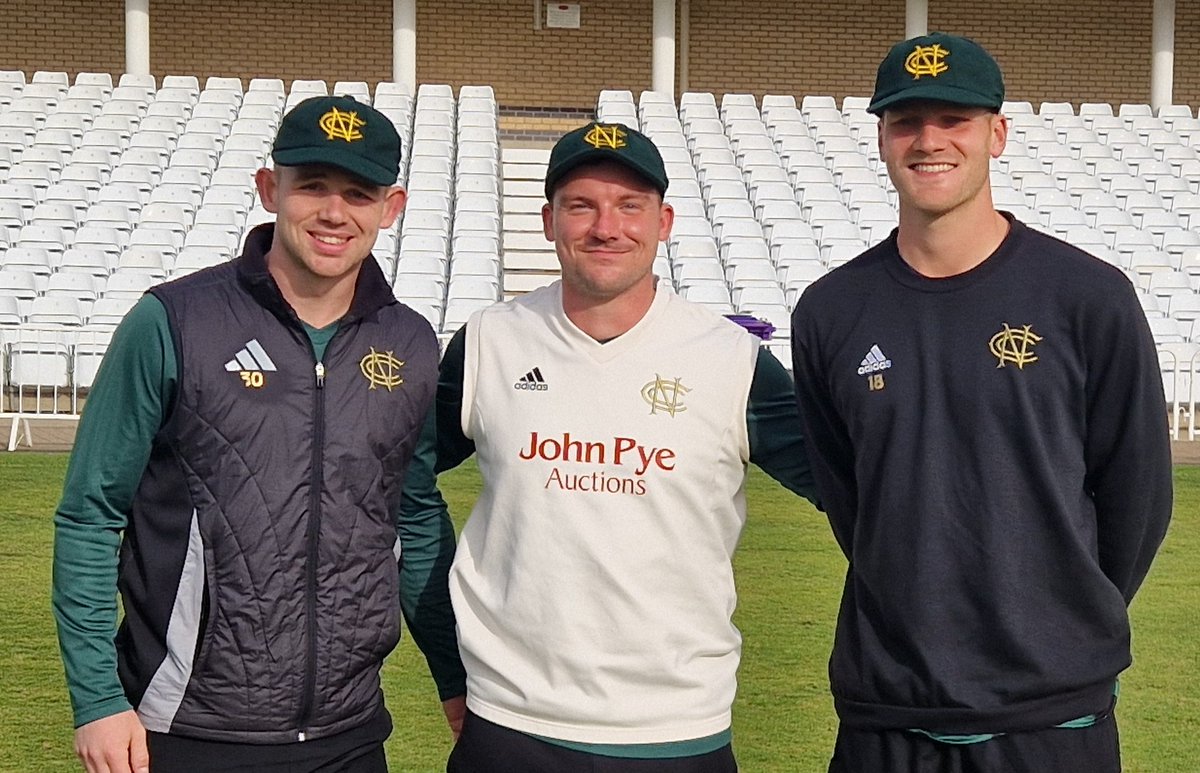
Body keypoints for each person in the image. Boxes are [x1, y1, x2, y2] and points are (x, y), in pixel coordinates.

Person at [790, 32, 1173, 773]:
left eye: (954, 119)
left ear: (996, 133)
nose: (929, 140)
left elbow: (1140, 498)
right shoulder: (829, 312)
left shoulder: (1089, 297)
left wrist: (1056, 613)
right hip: (887, 710)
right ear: (882, 138)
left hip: (1053, 715)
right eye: (906, 121)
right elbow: (850, 500)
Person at [52, 95, 467, 773]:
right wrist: (98, 698)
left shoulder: (411, 343)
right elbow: (89, 514)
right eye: (313, 187)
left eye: (358, 193)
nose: (334, 212)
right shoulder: (172, 320)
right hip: (185, 730)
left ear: (390, 208)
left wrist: (454, 679)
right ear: (270, 188)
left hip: (351, 734)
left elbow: (414, 516)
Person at [415, 121, 819, 771]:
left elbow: (859, 491)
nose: (607, 227)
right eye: (582, 205)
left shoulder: (733, 360)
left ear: (664, 221)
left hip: (678, 728)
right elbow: (396, 481)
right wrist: (445, 655)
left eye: (630, 206)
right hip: (513, 722)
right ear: (549, 221)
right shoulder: (490, 342)